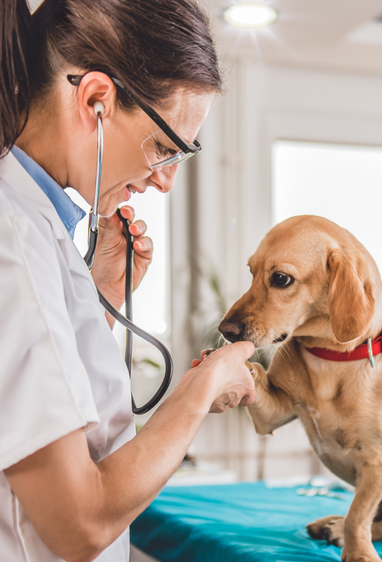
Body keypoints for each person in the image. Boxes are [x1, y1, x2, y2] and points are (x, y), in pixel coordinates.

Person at [0, 0, 255, 561]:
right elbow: (79, 523)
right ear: (95, 99)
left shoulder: (39, 230)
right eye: (165, 148)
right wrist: (200, 388)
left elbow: (64, 419)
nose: (166, 181)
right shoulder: (13, 236)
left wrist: (99, 298)